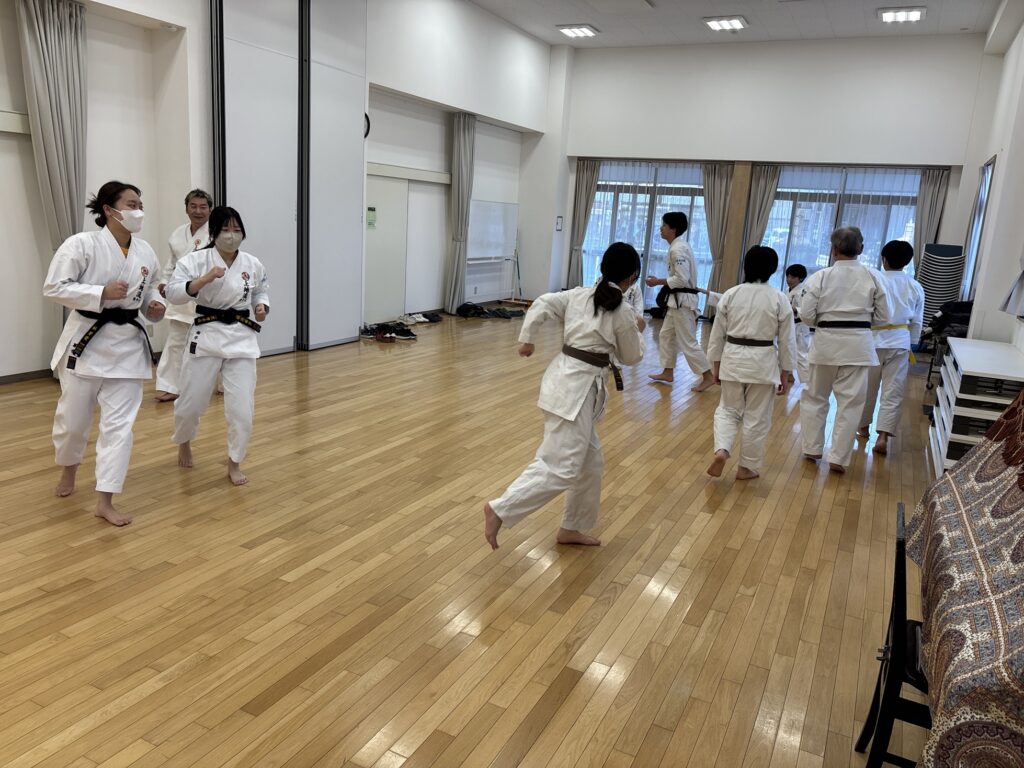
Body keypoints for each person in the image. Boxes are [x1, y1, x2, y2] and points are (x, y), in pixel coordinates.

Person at [483, 242, 645, 550]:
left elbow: (542, 302)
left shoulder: (579, 294)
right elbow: (632, 356)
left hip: (567, 383)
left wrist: (528, 339)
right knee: (562, 467)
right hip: (573, 392)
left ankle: (572, 527)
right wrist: (639, 328)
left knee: (590, 463)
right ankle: (501, 508)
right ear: (632, 277)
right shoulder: (622, 312)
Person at [42, 180, 166, 526]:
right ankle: (69, 470)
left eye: (140, 204)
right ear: (109, 209)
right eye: (131, 204)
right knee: (73, 423)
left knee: (119, 428)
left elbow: (152, 288)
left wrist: (155, 304)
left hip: (128, 347)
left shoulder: (145, 251)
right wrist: (101, 292)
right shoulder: (81, 244)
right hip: (87, 343)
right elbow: (54, 287)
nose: (138, 210)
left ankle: (105, 499)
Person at [166, 206, 269, 486]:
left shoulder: (252, 263)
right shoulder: (195, 260)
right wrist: (203, 280)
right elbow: (173, 293)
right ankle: (184, 441)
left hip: (241, 338)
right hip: (207, 334)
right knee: (191, 402)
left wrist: (261, 306)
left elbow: (261, 290)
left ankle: (235, 461)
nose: (231, 235)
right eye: (225, 229)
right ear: (213, 232)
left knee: (242, 408)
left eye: (237, 229)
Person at [799, 226, 891, 473]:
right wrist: (862, 323)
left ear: (833, 249)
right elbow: (885, 316)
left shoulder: (821, 276)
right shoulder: (873, 277)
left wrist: (824, 321)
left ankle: (812, 448)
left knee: (815, 397)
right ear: (861, 249)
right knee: (851, 403)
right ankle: (839, 457)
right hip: (858, 345)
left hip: (825, 343)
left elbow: (806, 314)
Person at [706, 246, 796, 480]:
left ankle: (722, 450)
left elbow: (716, 335)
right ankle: (745, 467)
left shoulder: (731, 294)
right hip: (763, 362)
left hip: (733, 358)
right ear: (773, 270)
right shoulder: (779, 298)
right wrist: (786, 372)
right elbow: (787, 341)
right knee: (757, 417)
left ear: (746, 266)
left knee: (728, 410)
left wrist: (716, 365)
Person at [858, 240, 925, 456]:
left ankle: (863, 427)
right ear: (907, 262)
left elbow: (863, 311)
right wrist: (911, 343)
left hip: (873, 340)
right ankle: (883, 436)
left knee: (867, 387)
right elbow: (917, 321)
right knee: (893, 390)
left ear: (884, 259)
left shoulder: (873, 281)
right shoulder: (915, 286)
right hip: (900, 340)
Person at [154, 189, 213, 402]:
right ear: (186, 208)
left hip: (208, 295)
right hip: (181, 294)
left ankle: (223, 382)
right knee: (176, 341)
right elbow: (171, 263)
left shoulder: (217, 232)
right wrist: (164, 281)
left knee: (215, 342)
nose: (198, 211)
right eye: (193, 206)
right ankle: (170, 385)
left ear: (210, 209)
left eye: (203, 207)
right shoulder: (178, 234)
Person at [645, 212, 715, 391]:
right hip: (676, 302)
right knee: (665, 335)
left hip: (683, 301)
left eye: (664, 225)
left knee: (688, 342)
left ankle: (708, 376)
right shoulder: (678, 246)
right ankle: (668, 371)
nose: (661, 228)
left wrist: (657, 282)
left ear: (673, 229)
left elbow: (681, 279)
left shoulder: (678, 249)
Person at [784, 264, 811, 386]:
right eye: (788, 276)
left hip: (800, 325)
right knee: (786, 350)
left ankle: (808, 382)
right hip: (789, 324)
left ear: (800, 278)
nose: (789, 279)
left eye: (793, 277)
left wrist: (794, 309)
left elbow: (806, 310)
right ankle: (789, 375)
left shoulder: (803, 292)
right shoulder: (787, 290)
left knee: (801, 355)